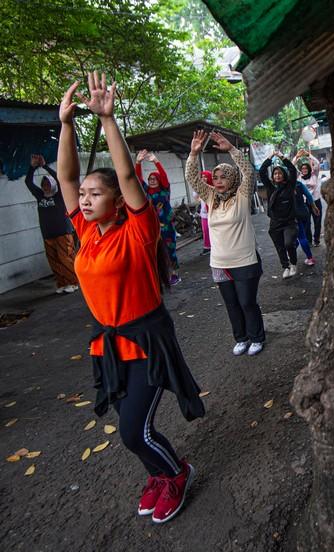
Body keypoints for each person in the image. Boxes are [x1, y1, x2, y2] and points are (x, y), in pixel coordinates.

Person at [57, 73, 203, 524]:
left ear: (118, 202)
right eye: (82, 195)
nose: (83, 199)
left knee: (132, 431)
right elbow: (65, 175)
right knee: (134, 427)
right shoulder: (86, 232)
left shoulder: (138, 232)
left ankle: (176, 473)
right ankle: (159, 475)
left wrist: (107, 119)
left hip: (146, 341)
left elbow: (123, 172)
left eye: (94, 194)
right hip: (109, 345)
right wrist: (64, 125)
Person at [186, 129, 266, 356]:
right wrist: (193, 154)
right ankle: (241, 338)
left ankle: (257, 337)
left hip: (245, 261)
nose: (218, 181)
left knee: (247, 302)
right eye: (216, 177)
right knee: (231, 304)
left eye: (223, 177)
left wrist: (231, 149)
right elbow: (192, 179)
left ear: (232, 179)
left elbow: (248, 172)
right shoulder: (211, 197)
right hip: (219, 263)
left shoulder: (242, 195)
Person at [24, 153, 79, 293]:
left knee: (66, 258)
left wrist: (45, 166)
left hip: (63, 232)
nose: (45, 186)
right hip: (48, 234)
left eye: (48, 184)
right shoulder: (40, 195)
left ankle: (73, 282)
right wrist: (32, 167)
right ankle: (62, 284)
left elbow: (60, 180)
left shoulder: (60, 195)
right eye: (43, 184)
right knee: (54, 260)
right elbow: (28, 183)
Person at [259, 151, 319, 278]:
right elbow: (262, 172)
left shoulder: (290, 186)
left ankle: (293, 263)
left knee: (288, 243)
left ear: (284, 175)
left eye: (280, 173)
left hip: (290, 222)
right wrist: (270, 158)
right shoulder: (271, 188)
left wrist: (282, 157)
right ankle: (285, 267)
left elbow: (292, 169)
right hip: (275, 223)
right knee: (280, 247)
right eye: (275, 173)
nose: (277, 175)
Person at [135, 150, 180, 285]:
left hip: (166, 225)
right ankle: (161, 274)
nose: (152, 181)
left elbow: (164, 176)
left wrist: (156, 161)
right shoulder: (146, 190)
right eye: (150, 179)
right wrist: (138, 162)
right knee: (155, 251)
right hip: (152, 226)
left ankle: (175, 274)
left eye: (154, 178)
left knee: (169, 250)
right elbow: (137, 178)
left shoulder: (164, 189)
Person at [293, 148, 323, 246]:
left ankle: (317, 240)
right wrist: (297, 157)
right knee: (306, 223)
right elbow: (291, 167)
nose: (304, 170)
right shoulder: (299, 177)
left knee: (317, 222)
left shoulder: (314, 175)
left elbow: (317, 163)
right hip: (305, 203)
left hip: (316, 201)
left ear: (309, 169)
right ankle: (309, 240)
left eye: (306, 169)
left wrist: (308, 155)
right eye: (302, 169)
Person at [195, 171, 213, 256]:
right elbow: (196, 197)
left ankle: (214, 246)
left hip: (213, 214)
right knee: (205, 230)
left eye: (205, 177)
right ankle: (207, 247)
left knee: (213, 230)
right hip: (204, 214)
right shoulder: (201, 188)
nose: (203, 178)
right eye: (202, 177)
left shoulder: (213, 188)